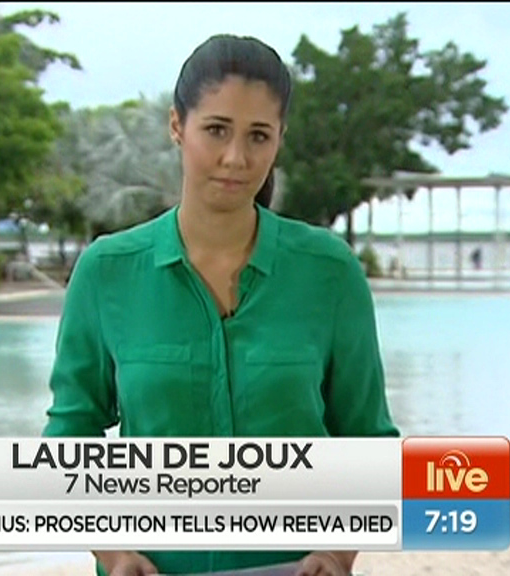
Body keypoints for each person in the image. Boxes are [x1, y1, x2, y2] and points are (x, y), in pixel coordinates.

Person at [42, 34, 400, 576]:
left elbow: (368, 441)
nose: (236, 158)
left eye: (258, 135)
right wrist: (112, 551)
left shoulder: (330, 273)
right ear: (177, 126)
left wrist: (336, 552)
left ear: (279, 139)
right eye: (216, 130)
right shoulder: (107, 272)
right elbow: (69, 439)